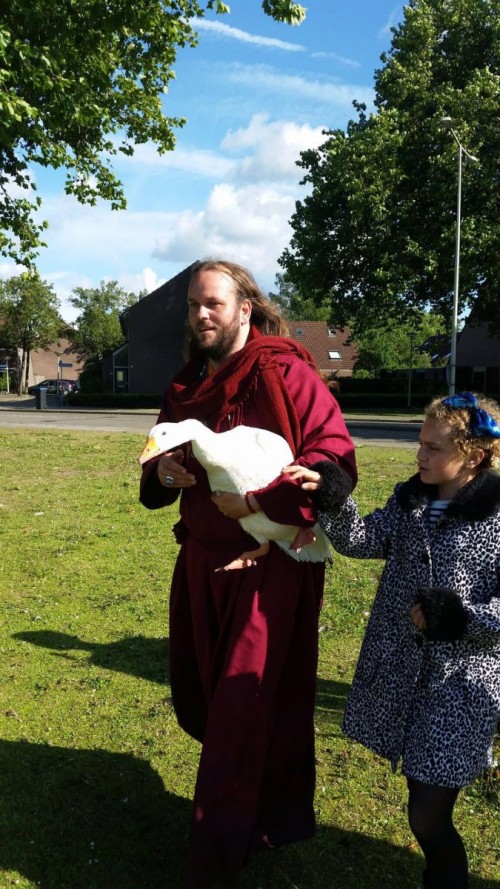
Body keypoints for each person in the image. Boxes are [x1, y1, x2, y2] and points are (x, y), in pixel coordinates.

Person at [139, 259, 357, 888]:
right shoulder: (184, 385)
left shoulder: (284, 370)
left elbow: (332, 456)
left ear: (244, 308)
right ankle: (272, 816)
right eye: (192, 305)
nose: (200, 315)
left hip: (268, 567)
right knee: (207, 697)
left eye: (212, 303)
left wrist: (264, 504)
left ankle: (215, 854)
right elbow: (156, 460)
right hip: (202, 563)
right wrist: (164, 475)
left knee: (245, 703)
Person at [285, 391, 500, 889]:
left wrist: (460, 619)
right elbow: (362, 539)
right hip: (407, 675)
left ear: (473, 454)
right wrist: (335, 497)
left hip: (462, 683)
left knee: (428, 812)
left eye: (434, 448)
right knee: (420, 794)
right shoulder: (412, 502)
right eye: (420, 444)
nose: (420, 455)